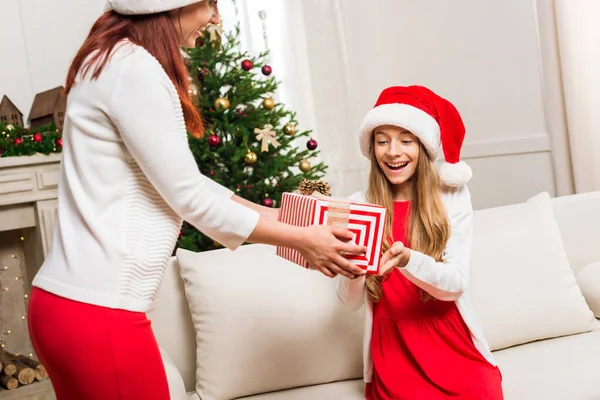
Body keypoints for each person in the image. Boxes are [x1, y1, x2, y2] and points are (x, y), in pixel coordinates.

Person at [26, 1, 367, 399]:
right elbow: (189, 197)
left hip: (66, 305)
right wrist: (303, 241)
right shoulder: (134, 69)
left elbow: (186, 184)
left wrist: (283, 218)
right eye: (209, 3)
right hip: (100, 315)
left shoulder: (108, 58)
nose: (216, 17)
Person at [337, 85, 504, 399]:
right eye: (382, 141)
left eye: (406, 140)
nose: (393, 151)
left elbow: (455, 283)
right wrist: (354, 268)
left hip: (451, 341)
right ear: (371, 149)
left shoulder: (451, 197)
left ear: (424, 147)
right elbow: (349, 302)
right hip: (394, 350)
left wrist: (407, 259)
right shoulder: (357, 206)